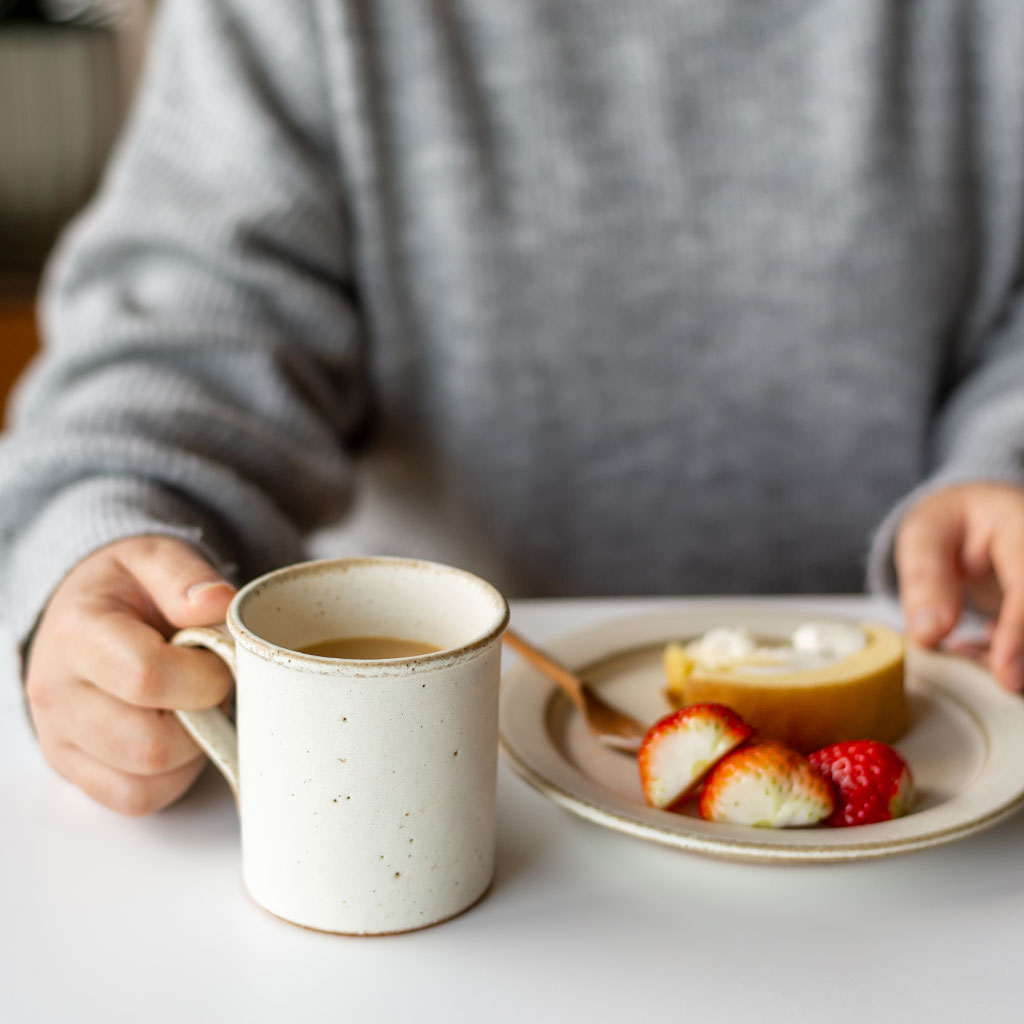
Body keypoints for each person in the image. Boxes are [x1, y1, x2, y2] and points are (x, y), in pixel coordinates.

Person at [3, 0, 1024, 816]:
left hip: (963, 736)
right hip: (435, 797)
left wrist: (1006, 459)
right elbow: (187, 333)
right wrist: (103, 545)